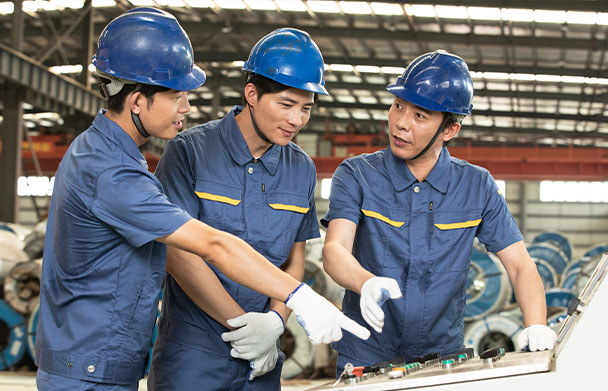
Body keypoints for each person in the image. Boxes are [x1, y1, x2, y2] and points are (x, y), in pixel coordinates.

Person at [34, 9, 369, 391]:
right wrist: (300, 298)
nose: (187, 107)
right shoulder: (112, 169)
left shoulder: (119, 157)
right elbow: (207, 244)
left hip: (106, 366)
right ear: (138, 101)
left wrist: (276, 320)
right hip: (95, 369)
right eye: (177, 95)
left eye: (305, 108)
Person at [321, 50, 557, 376]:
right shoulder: (357, 175)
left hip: (442, 359)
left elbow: (519, 265)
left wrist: (536, 325)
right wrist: (367, 282)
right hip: (366, 352)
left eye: (420, 116)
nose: (401, 123)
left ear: (449, 130)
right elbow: (334, 250)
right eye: (398, 106)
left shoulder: (477, 186)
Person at [147, 28, 328, 391]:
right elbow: (176, 253)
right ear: (252, 94)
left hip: (263, 355)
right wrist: (239, 325)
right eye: (286, 105)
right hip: (193, 355)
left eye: (306, 109)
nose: (296, 120)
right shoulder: (189, 152)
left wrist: (275, 322)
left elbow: (294, 260)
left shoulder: (302, 168)